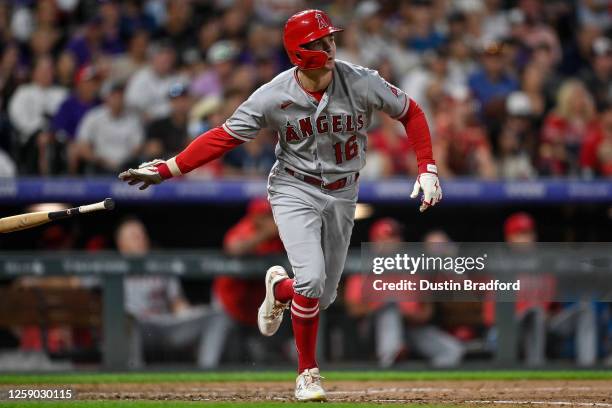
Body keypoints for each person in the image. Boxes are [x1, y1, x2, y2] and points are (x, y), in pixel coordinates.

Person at [118, 9, 441, 401]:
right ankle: (307, 372)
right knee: (311, 280)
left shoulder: (360, 80)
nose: (329, 46)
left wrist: (427, 168)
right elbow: (223, 137)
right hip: (294, 189)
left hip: (343, 192)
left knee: (322, 295)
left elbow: (412, 112)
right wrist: (168, 169)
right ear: (299, 52)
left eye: (330, 38)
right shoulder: (274, 94)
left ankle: (280, 288)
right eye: (319, 42)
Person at [344, 218, 463, 368]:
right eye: (383, 240)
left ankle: (424, 381)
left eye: (394, 238)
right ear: (373, 243)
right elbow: (354, 310)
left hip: (412, 328)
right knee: (390, 309)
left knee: (452, 350)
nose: (389, 244)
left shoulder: (412, 269)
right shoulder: (362, 270)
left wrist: (408, 316)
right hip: (374, 332)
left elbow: (427, 311)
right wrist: (382, 308)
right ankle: (389, 360)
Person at [116, 217, 211, 369]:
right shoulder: (111, 264)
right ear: (121, 243)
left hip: (164, 325)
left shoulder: (159, 264)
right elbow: (75, 279)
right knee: (128, 319)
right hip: (135, 326)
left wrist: (189, 315)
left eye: (143, 235)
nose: (141, 239)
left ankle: (207, 370)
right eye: (135, 236)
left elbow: (177, 303)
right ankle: (133, 372)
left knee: (216, 315)